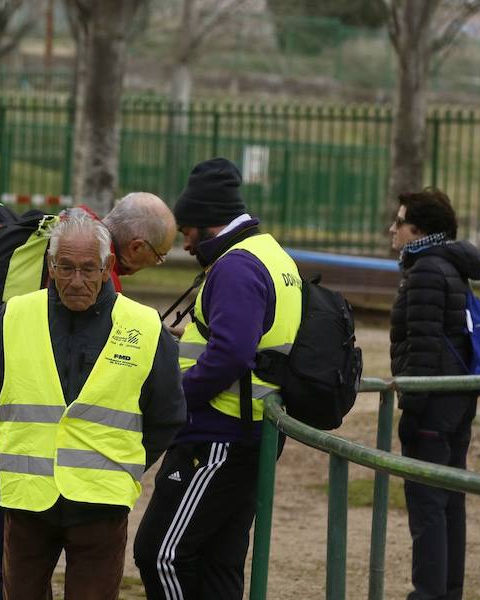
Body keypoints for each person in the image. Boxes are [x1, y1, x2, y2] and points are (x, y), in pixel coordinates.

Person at [0, 196, 178, 599]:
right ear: (50, 267)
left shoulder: (139, 323)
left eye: (87, 270)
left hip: (62, 478)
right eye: (65, 269)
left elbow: (166, 415)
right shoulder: (18, 314)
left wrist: (120, 462)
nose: (77, 280)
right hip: (26, 479)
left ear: (106, 266)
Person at [134, 157, 302, 599]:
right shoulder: (272, 254)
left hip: (218, 436)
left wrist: (174, 399)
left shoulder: (236, 267)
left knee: (161, 554)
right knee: (218, 562)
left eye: (187, 230)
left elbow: (230, 354)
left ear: (208, 222)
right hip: (250, 432)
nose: (184, 243)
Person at [388, 187, 480, 600]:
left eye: (399, 222)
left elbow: (424, 345)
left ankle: (428, 594)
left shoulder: (428, 269)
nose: (392, 229)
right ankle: (447, 592)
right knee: (448, 500)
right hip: (455, 401)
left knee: (429, 505)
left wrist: (411, 407)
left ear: (418, 230)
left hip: (434, 405)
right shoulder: (447, 265)